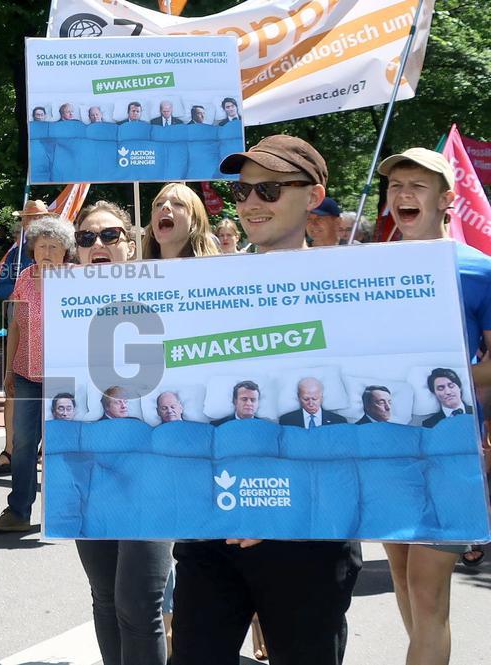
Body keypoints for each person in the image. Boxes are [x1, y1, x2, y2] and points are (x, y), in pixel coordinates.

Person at [173, 135, 362, 665]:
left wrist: (275, 501)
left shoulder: (354, 290)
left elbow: (352, 422)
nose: (252, 203)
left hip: (308, 533)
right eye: (244, 191)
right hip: (214, 527)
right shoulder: (200, 289)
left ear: (313, 194)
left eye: (270, 190)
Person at [378, 145, 491, 662]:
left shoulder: (478, 270)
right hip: (386, 447)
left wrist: (437, 384)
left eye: (416, 187)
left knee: (428, 591)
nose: (403, 194)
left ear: (447, 200)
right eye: (396, 186)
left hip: (448, 450)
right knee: (401, 576)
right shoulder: (365, 270)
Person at [70, 200, 173, 665]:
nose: (98, 244)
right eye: (87, 238)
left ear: (130, 246)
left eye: (110, 235)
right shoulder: (64, 306)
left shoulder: (166, 295)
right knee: (104, 595)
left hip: (150, 469)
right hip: (90, 466)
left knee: (139, 601)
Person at [0, 215, 75, 534]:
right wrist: (9, 369)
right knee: (23, 443)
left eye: (54, 246)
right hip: (25, 373)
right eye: (41, 246)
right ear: (33, 251)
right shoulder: (24, 278)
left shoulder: (78, 279)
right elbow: (18, 327)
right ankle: (18, 511)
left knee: (63, 444)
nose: (47, 252)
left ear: (66, 251)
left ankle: (64, 512)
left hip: (65, 379)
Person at [142, 183, 219, 259]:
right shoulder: (138, 269)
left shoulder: (213, 268)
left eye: (178, 203)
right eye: (159, 204)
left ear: (194, 220)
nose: (165, 206)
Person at [278, 377, 347, 427]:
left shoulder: (339, 421)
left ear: (322, 397)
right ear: (298, 397)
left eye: (315, 399)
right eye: (306, 399)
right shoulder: (286, 421)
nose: (311, 404)